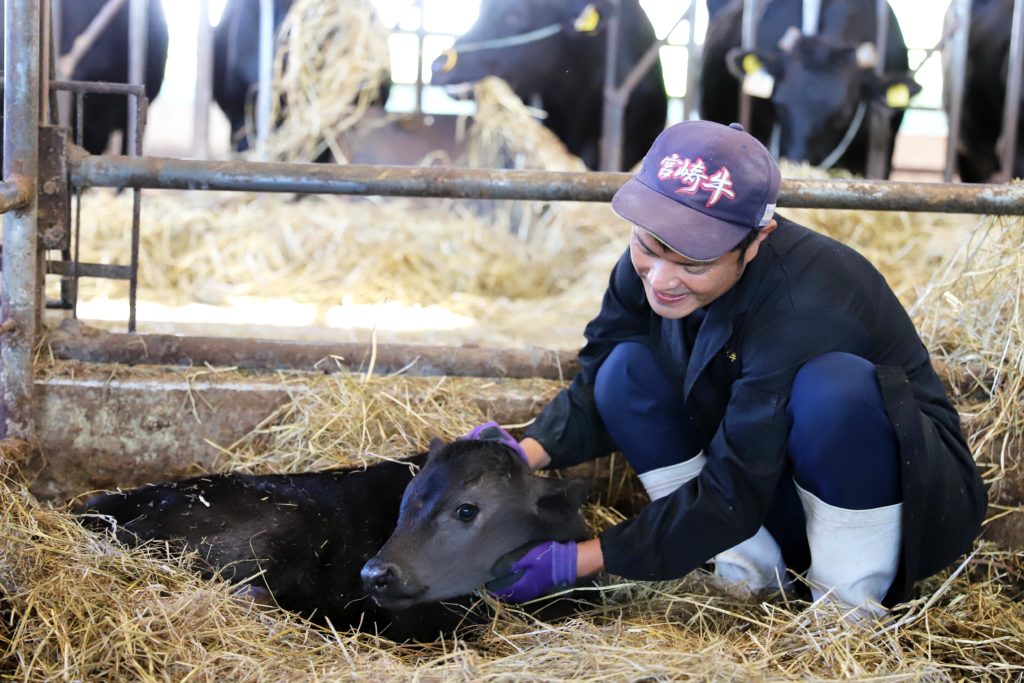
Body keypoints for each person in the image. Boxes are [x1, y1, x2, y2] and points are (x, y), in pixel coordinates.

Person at [464, 120, 988, 618]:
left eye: (695, 264)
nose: (663, 279)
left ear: (757, 240)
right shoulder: (646, 266)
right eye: (649, 245)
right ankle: (748, 576)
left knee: (833, 391)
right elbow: (604, 362)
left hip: (898, 504)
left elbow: (737, 481)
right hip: (770, 485)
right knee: (622, 370)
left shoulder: (805, 304)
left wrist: (579, 559)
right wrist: (521, 452)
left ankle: (846, 609)